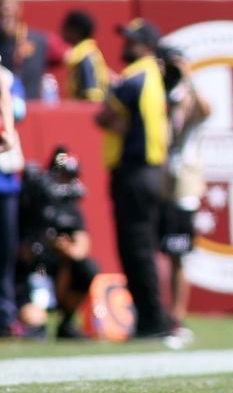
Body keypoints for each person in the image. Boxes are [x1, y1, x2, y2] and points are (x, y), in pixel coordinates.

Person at [94, 18, 171, 339]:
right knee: (147, 246)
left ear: (148, 46)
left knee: (135, 247)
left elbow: (102, 116)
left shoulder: (135, 75)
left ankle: (153, 320)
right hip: (154, 171)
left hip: (134, 171)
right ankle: (155, 318)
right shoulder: (155, 75)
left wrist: (119, 126)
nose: (126, 44)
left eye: (133, 40)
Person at [16, 146, 98, 339]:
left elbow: (81, 249)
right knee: (34, 322)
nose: (68, 182)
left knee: (86, 267)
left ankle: (67, 319)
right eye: (63, 176)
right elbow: (24, 252)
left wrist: (62, 247)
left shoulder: (70, 208)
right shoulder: (31, 204)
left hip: (57, 273)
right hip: (32, 273)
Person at [155, 44, 210, 335]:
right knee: (153, 250)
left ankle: (176, 317)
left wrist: (187, 77)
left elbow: (206, 110)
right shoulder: (155, 93)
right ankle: (155, 314)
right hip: (157, 178)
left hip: (183, 183)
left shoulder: (187, 96)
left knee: (177, 252)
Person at [0, 64, 24, 338]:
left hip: (4, 177)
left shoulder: (7, 78)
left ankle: (5, 314)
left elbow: (18, 110)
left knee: (5, 251)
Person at [61, 9, 110, 102]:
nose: (62, 31)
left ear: (76, 30)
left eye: (66, 27)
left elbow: (92, 96)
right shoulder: (84, 54)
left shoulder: (85, 57)